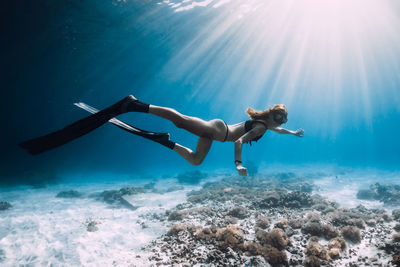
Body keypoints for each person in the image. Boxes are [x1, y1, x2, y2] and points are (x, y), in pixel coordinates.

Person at [19, 95, 304, 176]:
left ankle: (163, 141)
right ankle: (136, 105)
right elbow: (241, 140)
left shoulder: (266, 124)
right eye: (280, 117)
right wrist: (238, 164)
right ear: (271, 115)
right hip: (219, 131)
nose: (281, 121)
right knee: (180, 120)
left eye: (284, 119)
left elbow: (275, 130)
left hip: (216, 135)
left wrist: (292, 132)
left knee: (194, 161)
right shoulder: (261, 126)